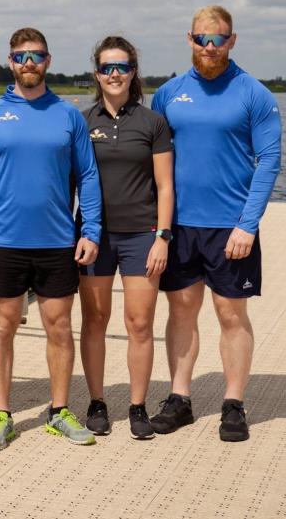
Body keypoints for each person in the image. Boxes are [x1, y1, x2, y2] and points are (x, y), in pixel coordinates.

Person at [0, 27, 102, 450]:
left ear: (48, 60)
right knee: (2, 326)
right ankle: (1, 415)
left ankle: (58, 411)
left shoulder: (68, 116)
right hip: (3, 242)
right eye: (21, 56)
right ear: (10, 61)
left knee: (59, 327)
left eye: (36, 56)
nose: (29, 63)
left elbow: (89, 177)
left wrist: (90, 230)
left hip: (58, 241)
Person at [150, 5, 281, 442]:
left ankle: (233, 404)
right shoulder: (168, 94)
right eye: (202, 39)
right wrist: (159, 228)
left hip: (231, 227)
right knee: (181, 310)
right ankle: (180, 400)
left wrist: (248, 224)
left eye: (219, 39)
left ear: (232, 40)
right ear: (189, 39)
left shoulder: (254, 94)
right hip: (180, 226)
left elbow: (269, 162)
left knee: (230, 313)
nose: (210, 47)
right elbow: (156, 164)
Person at [77, 36, 174, 440]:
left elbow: (165, 187)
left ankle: (137, 406)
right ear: (96, 74)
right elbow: (69, 183)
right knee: (95, 320)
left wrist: (163, 238)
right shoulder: (83, 122)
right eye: (106, 67)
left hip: (142, 235)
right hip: (95, 237)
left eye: (122, 67)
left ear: (133, 72)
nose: (114, 74)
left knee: (139, 323)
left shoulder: (152, 122)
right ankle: (97, 402)